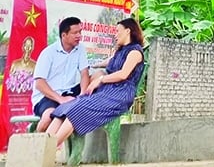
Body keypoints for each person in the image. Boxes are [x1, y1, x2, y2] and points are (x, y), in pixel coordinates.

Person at [46, 18, 145, 147]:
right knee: (65, 108)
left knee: (78, 110)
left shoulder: (135, 52)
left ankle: (49, 150)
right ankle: (41, 147)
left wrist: (100, 79)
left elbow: (123, 74)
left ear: (128, 31)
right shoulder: (120, 51)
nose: (115, 35)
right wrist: (92, 66)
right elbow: (108, 62)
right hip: (107, 91)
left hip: (120, 94)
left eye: (118, 31)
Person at [32, 18, 89, 132]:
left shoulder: (80, 49)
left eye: (80, 32)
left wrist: (82, 94)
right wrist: (60, 99)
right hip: (48, 96)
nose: (79, 36)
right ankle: (36, 142)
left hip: (69, 92)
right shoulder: (49, 53)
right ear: (64, 35)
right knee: (49, 116)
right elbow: (39, 83)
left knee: (97, 76)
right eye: (75, 33)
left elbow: (84, 74)